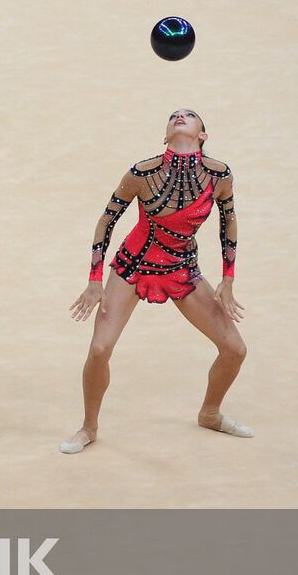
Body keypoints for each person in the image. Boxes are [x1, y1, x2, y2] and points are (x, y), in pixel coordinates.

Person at [61, 109, 249, 454]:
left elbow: (229, 222)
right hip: (133, 265)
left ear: (202, 136)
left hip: (181, 267)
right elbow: (107, 220)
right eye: (173, 116)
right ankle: (88, 427)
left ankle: (210, 413)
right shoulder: (141, 173)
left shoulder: (219, 175)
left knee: (235, 349)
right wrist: (94, 279)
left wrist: (228, 278)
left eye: (190, 116)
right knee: (100, 348)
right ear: (165, 136)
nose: (180, 117)